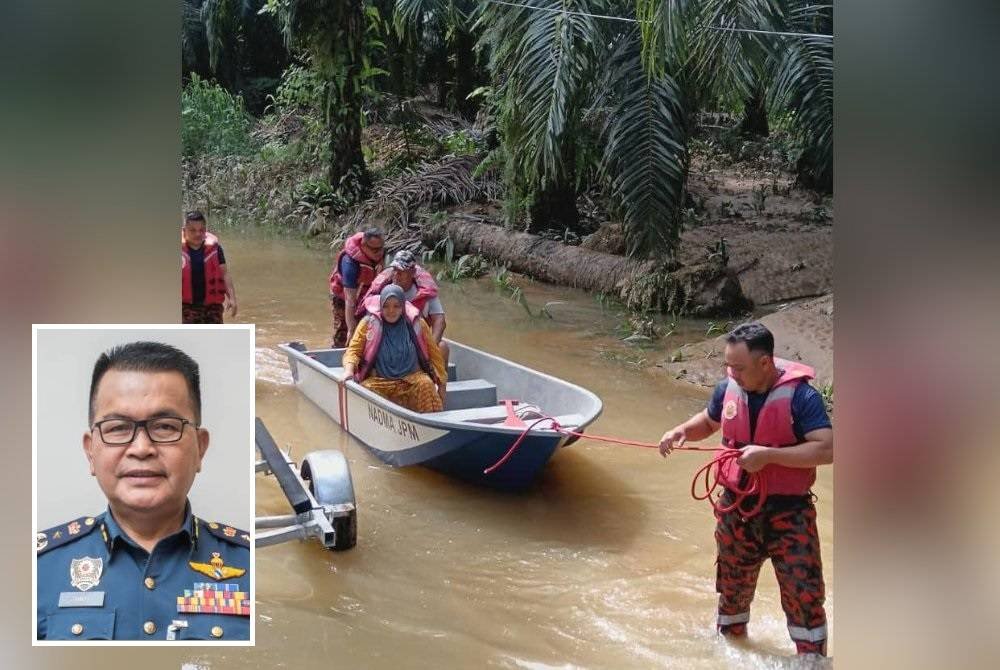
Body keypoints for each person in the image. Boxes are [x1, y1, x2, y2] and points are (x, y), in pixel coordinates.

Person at [36, 342, 250, 641]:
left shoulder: (251, 566)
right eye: (118, 427)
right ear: (90, 452)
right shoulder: (36, 570)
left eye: (164, 427)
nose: (141, 448)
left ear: (200, 448)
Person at [658, 322, 833, 657]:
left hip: (789, 515)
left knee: (804, 595)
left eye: (738, 367)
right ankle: (731, 653)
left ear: (765, 363)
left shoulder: (802, 397)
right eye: (728, 366)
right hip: (736, 510)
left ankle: (811, 661)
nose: (731, 373)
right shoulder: (728, 388)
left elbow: (827, 449)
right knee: (731, 593)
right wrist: (679, 431)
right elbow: (709, 422)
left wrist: (769, 456)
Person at [341, 285, 447, 413]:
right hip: (380, 381)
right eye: (386, 306)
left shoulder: (418, 324)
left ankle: (428, 424)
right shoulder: (368, 324)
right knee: (366, 389)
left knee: (426, 384)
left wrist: (441, 386)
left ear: (402, 307)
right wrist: (348, 371)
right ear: (381, 306)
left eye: (396, 306)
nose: (391, 311)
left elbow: (435, 356)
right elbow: (353, 351)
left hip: (411, 380)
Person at [365, 249, 450, 365]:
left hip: (417, 343)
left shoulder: (425, 293)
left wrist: (431, 348)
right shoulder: (383, 291)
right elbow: (369, 323)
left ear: (412, 272)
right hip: (389, 343)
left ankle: (438, 381)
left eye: (401, 271)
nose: (396, 274)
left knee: (443, 347)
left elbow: (440, 321)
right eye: (394, 270)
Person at [328, 227, 386, 348]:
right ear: (364, 246)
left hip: (365, 293)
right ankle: (339, 351)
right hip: (344, 297)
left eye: (382, 248)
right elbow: (350, 300)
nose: (380, 252)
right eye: (375, 250)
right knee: (345, 332)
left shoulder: (378, 252)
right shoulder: (350, 264)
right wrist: (351, 328)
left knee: (369, 330)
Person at [181, 211, 237, 324]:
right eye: (192, 230)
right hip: (186, 307)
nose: (197, 234)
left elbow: (224, 273)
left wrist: (232, 298)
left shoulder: (215, 249)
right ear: (184, 231)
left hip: (213, 307)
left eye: (201, 230)